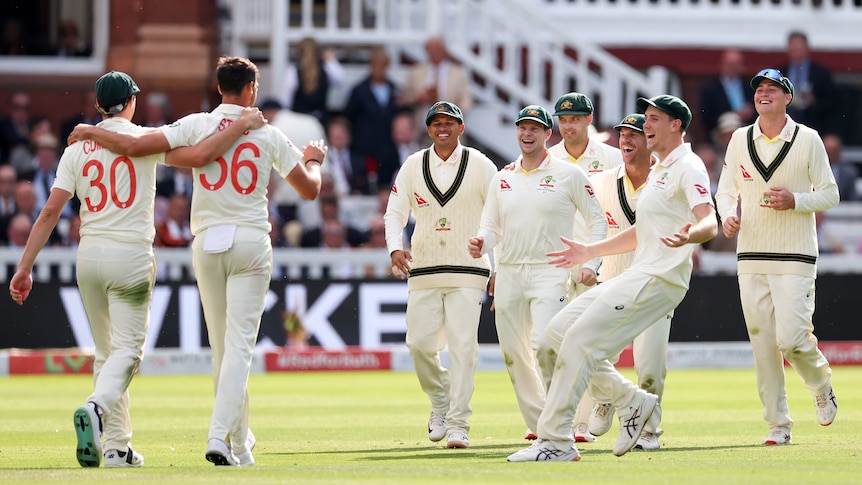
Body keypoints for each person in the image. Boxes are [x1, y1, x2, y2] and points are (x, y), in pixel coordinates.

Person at [70, 57, 325, 466]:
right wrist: (314, 158)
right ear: (251, 91)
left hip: (206, 244)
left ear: (219, 88)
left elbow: (136, 146)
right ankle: (219, 437)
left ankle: (240, 443)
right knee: (238, 349)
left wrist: (88, 130)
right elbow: (310, 190)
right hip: (249, 240)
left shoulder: (195, 124)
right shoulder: (268, 132)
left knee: (222, 350)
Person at [11, 70, 264, 468]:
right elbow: (201, 156)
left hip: (88, 258)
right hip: (129, 257)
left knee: (106, 353)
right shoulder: (142, 139)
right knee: (128, 351)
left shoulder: (77, 147)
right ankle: (96, 409)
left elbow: (48, 213)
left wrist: (24, 267)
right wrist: (244, 124)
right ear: (130, 102)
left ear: (98, 106)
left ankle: (115, 446)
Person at [508, 94, 716, 462]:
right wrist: (591, 250)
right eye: (646, 118)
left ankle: (555, 441)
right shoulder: (662, 169)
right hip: (637, 272)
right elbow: (643, 231)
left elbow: (709, 221)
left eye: (653, 119)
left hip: (660, 278)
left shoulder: (689, 167)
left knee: (578, 343)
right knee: (556, 334)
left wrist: (691, 235)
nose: (645, 125)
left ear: (675, 126)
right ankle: (631, 400)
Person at [715, 68, 839, 446]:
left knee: (793, 340)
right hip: (750, 255)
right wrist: (728, 216)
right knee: (762, 342)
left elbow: (830, 194)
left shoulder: (808, 139)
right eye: (759, 89)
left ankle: (820, 382)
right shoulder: (739, 138)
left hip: (796, 255)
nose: (764, 94)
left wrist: (796, 201)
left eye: (773, 89)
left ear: (788, 98)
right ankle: (778, 424)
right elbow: (724, 191)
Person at [467, 105, 606, 444]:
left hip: (550, 271)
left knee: (546, 344)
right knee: (514, 353)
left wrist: (592, 263)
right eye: (522, 128)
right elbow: (492, 227)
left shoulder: (568, 175)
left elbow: (598, 221)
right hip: (511, 273)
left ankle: (561, 417)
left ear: (548, 134)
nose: (527, 134)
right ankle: (543, 423)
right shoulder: (503, 177)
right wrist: (482, 244)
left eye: (535, 129)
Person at [384, 101, 498, 450]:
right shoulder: (414, 164)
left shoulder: (480, 164)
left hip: (468, 268)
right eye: (437, 123)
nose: (443, 128)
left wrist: (500, 267)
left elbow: (500, 218)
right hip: (425, 268)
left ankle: (459, 423)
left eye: (450, 123)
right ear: (428, 129)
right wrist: (394, 247)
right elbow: (394, 213)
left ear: (461, 128)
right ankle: (441, 400)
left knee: (464, 347)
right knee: (418, 345)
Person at [579, 113, 673, 451]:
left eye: (634, 135)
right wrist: (588, 262)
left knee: (650, 366)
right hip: (612, 281)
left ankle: (648, 431)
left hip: (654, 284)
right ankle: (608, 397)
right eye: (622, 135)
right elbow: (587, 223)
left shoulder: (666, 180)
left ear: (650, 140)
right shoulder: (602, 180)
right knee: (594, 352)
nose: (626, 141)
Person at [546, 92, 623, 441]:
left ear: (589, 120)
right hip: (559, 263)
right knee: (556, 343)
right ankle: (571, 422)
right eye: (563, 120)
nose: (568, 125)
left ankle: (589, 414)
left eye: (575, 119)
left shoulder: (611, 158)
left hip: (600, 262)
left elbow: (619, 213)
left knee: (593, 342)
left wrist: (600, 261)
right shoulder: (546, 159)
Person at [343, 47, 405, 194]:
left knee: (387, 186)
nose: (379, 69)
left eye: (383, 65)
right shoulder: (359, 90)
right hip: (365, 148)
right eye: (375, 64)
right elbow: (348, 117)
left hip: (388, 147)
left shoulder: (394, 89)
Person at [403, 37, 473, 136]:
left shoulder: (458, 73)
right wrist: (418, 98)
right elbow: (405, 99)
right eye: (431, 50)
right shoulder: (416, 72)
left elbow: (466, 101)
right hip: (422, 132)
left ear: (445, 51)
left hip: (449, 133)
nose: (434, 53)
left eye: (438, 49)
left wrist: (452, 116)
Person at [779, 31, 837, 135]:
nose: (796, 50)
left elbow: (833, 102)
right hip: (784, 124)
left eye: (799, 47)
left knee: (831, 144)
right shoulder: (780, 72)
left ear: (807, 48)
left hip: (814, 124)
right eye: (793, 47)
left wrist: (814, 101)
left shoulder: (821, 73)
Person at [279, 37, 344, 125]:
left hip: (298, 121)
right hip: (319, 120)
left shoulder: (293, 71)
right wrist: (330, 59)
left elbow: (285, 102)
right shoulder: (327, 69)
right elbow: (340, 79)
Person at [698, 48, 756, 142]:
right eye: (729, 64)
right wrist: (734, 116)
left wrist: (750, 112)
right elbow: (706, 118)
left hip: (747, 134)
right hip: (720, 136)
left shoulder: (750, 88)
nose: (732, 68)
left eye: (735, 64)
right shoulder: (710, 89)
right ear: (722, 65)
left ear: (741, 66)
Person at [822, 134, 857, 202]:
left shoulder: (849, 173)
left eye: (833, 152)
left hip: (843, 210)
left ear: (839, 152)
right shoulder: (810, 169)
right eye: (828, 151)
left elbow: (852, 199)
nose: (830, 155)